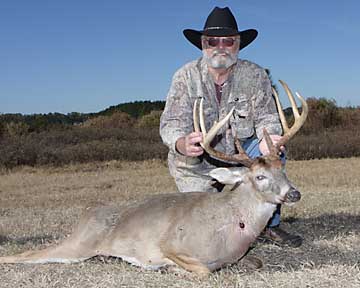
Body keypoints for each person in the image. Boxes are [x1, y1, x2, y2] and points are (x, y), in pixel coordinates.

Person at [160, 6, 302, 247]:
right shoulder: (185, 77)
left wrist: (271, 139)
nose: (220, 47)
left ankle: (270, 225)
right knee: (207, 222)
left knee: (274, 154)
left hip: (243, 159)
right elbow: (171, 123)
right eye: (212, 41)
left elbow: (267, 118)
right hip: (198, 163)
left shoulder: (255, 75)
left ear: (238, 45)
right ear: (203, 45)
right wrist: (181, 143)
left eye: (228, 41)